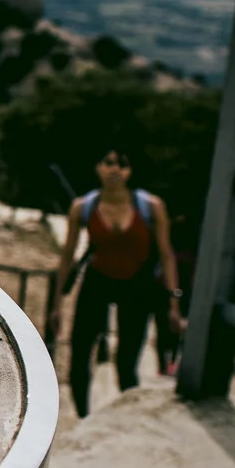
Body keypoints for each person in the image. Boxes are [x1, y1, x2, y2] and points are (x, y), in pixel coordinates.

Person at [56, 148, 181, 417]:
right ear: (97, 167)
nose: (115, 170)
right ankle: (82, 419)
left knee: (126, 362)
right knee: (80, 356)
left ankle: (126, 420)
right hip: (97, 281)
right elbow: (67, 255)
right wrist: (57, 304)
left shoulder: (151, 207)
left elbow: (167, 253)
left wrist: (174, 301)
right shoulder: (83, 207)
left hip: (137, 286)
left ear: (130, 171)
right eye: (108, 163)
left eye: (121, 164)